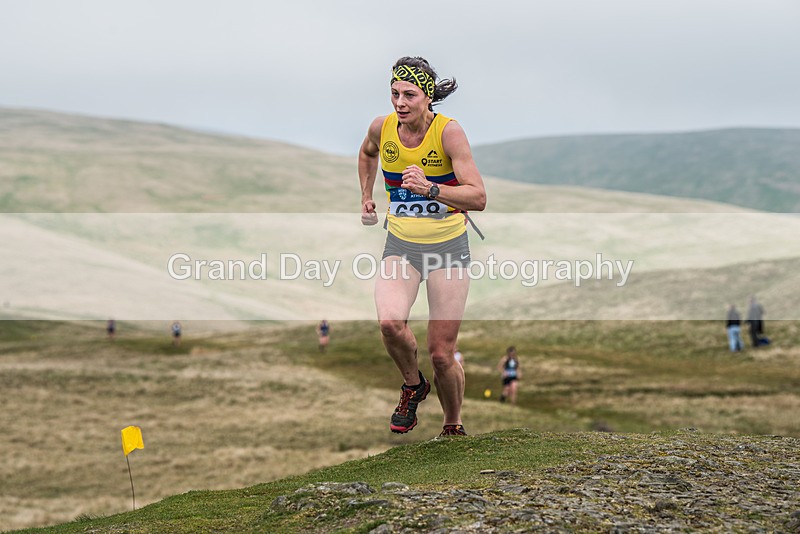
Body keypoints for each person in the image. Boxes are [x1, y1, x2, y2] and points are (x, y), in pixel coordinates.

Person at [358, 56, 486, 437]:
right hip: (401, 244)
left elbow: (477, 197)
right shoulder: (383, 128)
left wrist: (430, 188)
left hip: (448, 249)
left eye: (409, 95)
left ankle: (452, 425)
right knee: (389, 323)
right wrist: (367, 196)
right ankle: (413, 386)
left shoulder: (449, 133)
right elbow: (367, 153)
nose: (400, 102)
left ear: (427, 97)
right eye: (395, 93)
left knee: (441, 354)